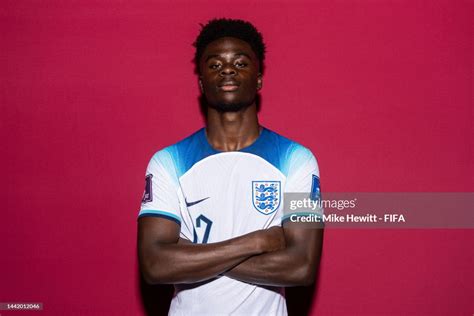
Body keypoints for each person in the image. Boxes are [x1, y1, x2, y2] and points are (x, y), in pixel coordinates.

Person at [137, 18, 324, 316]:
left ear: (259, 78)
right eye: (214, 65)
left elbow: (301, 266)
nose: (227, 70)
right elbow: (155, 266)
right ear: (201, 82)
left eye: (240, 62)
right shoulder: (167, 162)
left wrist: (190, 257)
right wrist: (258, 241)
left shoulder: (297, 159)